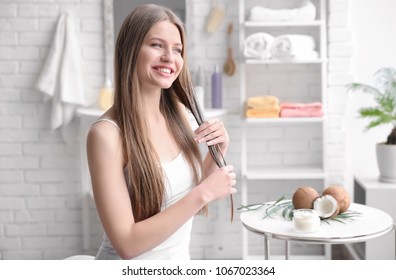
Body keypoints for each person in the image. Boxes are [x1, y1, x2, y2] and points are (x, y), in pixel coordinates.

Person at [86, 4, 237, 260]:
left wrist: (216, 154)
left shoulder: (179, 116)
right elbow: (127, 244)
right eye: (157, 45)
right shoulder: (106, 135)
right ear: (130, 51)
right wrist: (205, 193)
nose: (170, 57)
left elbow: (181, 204)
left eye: (177, 50)